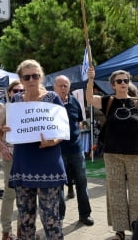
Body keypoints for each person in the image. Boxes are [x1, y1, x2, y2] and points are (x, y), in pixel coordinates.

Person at [86, 66, 138, 240]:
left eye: (126, 80)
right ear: (113, 85)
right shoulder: (107, 101)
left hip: (137, 154)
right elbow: (89, 98)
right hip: (112, 154)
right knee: (116, 192)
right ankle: (120, 231)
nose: (123, 83)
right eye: (119, 81)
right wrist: (91, 79)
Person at [5, 59, 66, 239]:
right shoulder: (15, 100)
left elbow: (64, 129)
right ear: (21, 79)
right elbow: (8, 126)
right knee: (25, 219)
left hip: (48, 163)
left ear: (41, 77)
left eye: (35, 76)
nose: (31, 80)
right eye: (27, 76)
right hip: (23, 164)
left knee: (50, 218)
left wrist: (53, 142)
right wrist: (6, 129)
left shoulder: (52, 98)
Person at [53, 75, 94, 226]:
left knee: (82, 183)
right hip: (57, 151)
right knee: (59, 186)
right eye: (60, 85)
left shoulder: (75, 101)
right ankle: (60, 217)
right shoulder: (49, 104)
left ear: (69, 87)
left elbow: (79, 123)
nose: (63, 88)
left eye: (66, 85)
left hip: (76, 150)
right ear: (54, 87)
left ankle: (85, 214)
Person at [0, 80, 24, 240]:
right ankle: (6, 231)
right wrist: (2, 147)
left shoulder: (28, 107)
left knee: (25, 194)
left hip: (27, 156)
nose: (18, 93)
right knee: (10, 193)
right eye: (15, 91)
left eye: (21, 90)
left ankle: (22, 230)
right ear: (9, 93)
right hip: (10, 155)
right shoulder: (4, 108)